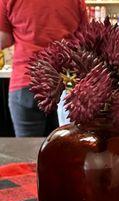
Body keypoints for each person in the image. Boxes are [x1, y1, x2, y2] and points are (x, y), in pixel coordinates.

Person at [0, 0, 86, 137]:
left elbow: (4, 39)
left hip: (26, 80)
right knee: (66, 147)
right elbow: (84, 39)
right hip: (65, 82)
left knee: (28, 149)